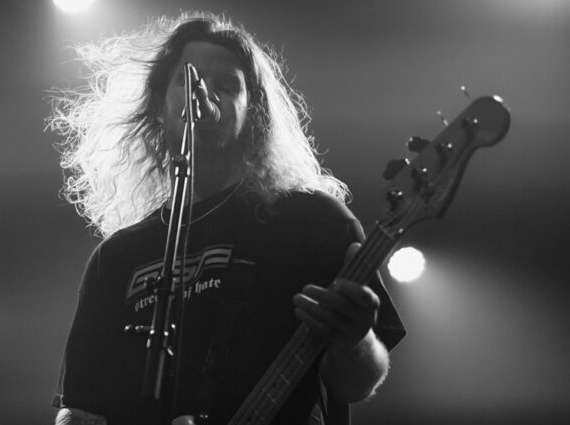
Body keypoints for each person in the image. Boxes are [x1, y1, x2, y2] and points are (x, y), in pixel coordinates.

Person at [48, 12, 405, 425]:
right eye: (189, 80)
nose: (205, 93)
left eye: (226, 85)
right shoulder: (117, 257)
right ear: (159, 104)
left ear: (253, 113)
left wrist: (355, 340)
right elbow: (79, 408)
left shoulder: (313, 222)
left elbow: (356, 384)